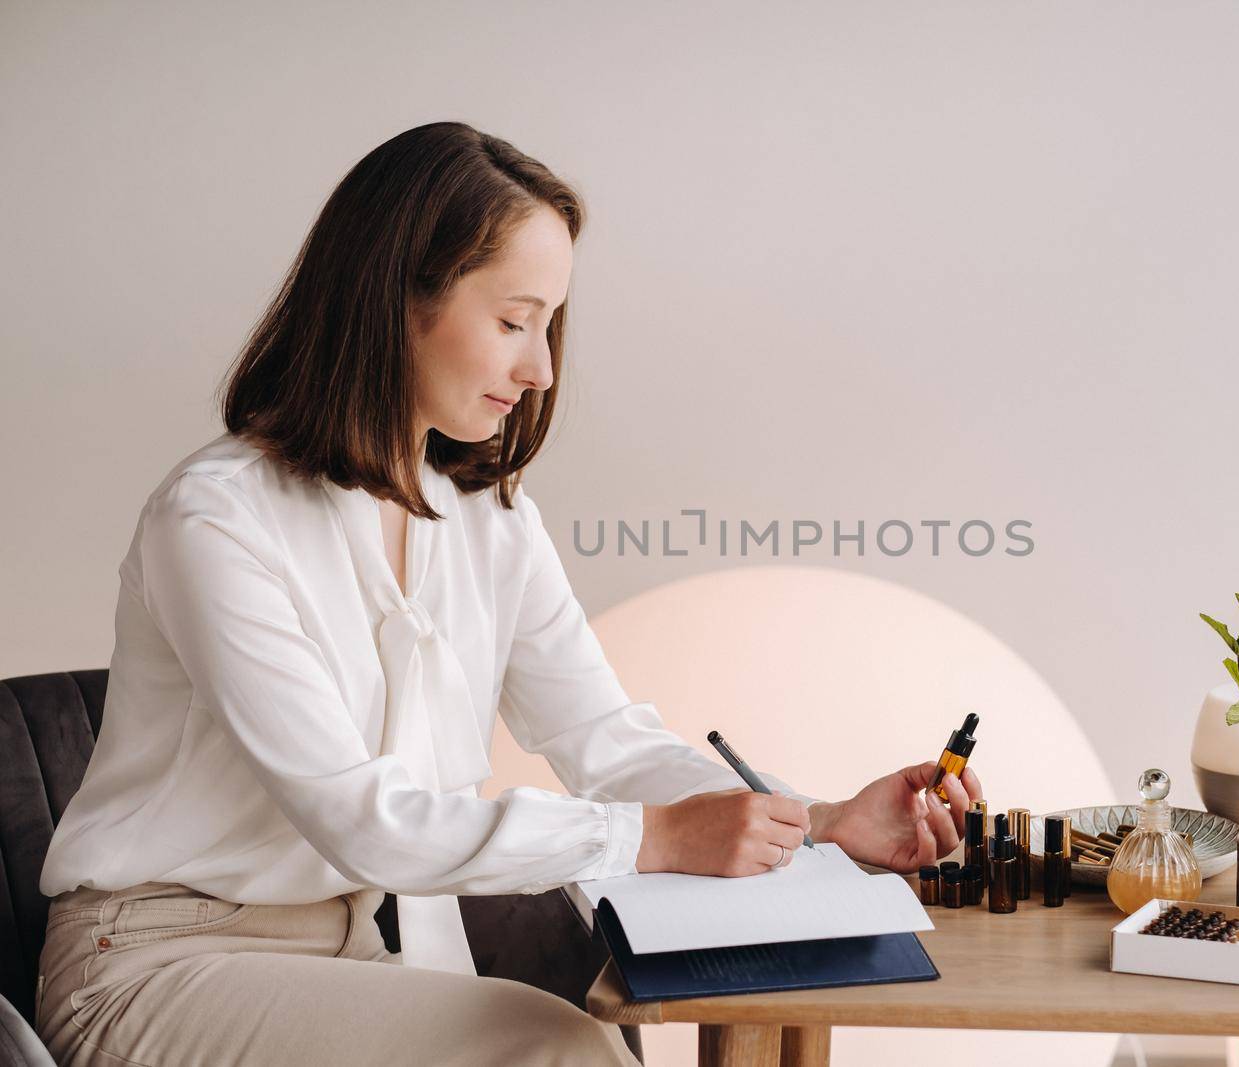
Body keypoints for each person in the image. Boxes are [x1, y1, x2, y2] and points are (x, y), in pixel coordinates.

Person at [34, 121, 984, 1067]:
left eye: (548, 324)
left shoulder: (489, 521)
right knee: (559, 1051)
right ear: (398, 296)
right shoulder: (216, 520)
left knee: (575, 1044)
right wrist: (649, 837)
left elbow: (601, 738)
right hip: (154, 964)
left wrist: (819, 822)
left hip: (350, 949)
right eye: (512, 320)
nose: (542, 370)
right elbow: (363, 818)